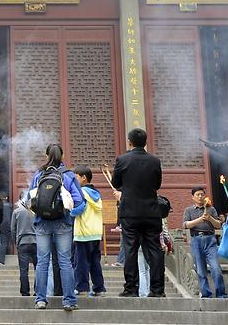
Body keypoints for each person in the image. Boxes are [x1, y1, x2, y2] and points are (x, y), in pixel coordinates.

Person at [29, 143, 86, 311]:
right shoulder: (68, 176)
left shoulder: (39, 175)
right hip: (63, 223)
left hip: (42, 224)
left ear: (47, 156)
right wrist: (68, 210)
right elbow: (80, 200)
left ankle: (40, 299)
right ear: (62, 157)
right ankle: (68, 301)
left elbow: (29, 198)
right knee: (65, 262)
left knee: (42, 262)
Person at [111, 128, 164, 298]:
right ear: (146, 142)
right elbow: (157, 185)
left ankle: (131, 289)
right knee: (155, 251)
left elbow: (115, 182)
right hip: (151, 212)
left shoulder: (123, 159)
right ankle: (157, 290)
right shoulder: (155, 161)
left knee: (130, 251)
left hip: (130, 213)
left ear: (130, 142)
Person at [183, 186, 226, 299]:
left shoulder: (211, 209)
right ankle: (206, 294)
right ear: (193, 197)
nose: (200, 196)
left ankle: (221, 294)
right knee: (201, 270)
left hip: (210, 240)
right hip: (196, 240)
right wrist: (200, 219)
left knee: (216, 268)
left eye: (202, 194)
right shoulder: (189, 210)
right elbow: (185, 225)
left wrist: (209, 218)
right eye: (198, 194)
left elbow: (218, 225)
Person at [73, 167, 107, 297]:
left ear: (83, 178)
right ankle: (99, 288)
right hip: (95, 233)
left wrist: (69, 210)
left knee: (81, 262)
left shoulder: (81, 192)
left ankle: (82, 288)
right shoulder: (96, 193)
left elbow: (78, 209)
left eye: (76, 177)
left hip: (83, 233)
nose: (75, 180)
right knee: (94, 262)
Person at [11, 192, 37, 296]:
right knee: (38, 268)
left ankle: (25, 292)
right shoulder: (36, 212)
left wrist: (15, 243)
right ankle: (38, 291)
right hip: (36, 242)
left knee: (23, 270)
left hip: (22, 242)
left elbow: (13, 229)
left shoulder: (17, 212)